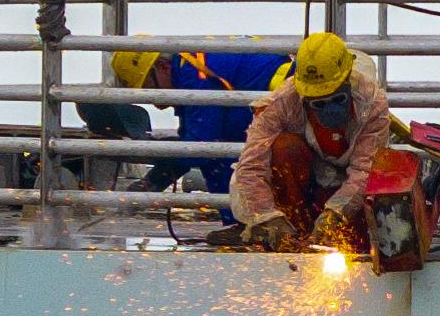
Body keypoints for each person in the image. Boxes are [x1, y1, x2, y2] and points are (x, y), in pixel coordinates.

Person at [228, 33, 396, 252]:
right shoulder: (282, 103)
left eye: (337, 99)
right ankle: (294, 237)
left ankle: (338, 237)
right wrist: (269, 218)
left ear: (347, 79)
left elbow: (365, 171)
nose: (328, 110)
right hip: (305, 193)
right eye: (319, 103)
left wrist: (335, 214)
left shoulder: (372, 104)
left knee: (368, 219)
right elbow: (251, 167)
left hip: (348, 196)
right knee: (284, 149)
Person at [105, 42, 290, 195]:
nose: (152, 99)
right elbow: (194, 139)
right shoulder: (187, 67)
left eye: (148, 87)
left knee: (217, 152)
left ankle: (240, 222)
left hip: (282, 103)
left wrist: (158, 172)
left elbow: (200, 146)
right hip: (270, 101)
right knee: (213, 146)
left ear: (162, 67)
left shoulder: (194, 77)